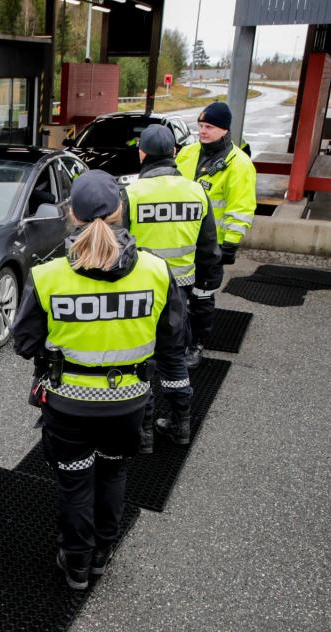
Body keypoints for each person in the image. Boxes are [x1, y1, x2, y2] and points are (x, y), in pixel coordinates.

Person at [11, 170, 191, 590]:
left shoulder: (48, 275)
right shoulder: (156, 271)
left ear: (70, 215)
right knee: (112, 475)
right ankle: (102, 555)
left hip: (67, 404)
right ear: (121, 213)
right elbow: (173, 339)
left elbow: (24, 342)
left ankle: (76, 564)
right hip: (129, 402)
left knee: (75, 482)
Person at [123, 124, 222, 452]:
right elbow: (209, 247)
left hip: (142, 292)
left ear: (142, 154)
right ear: (175, 154)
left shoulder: (132, 194)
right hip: (180, 291)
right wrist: (207, 284)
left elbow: (120, 248)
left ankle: (145, 429)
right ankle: (181, 424)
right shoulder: (196, 191)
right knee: (174, 358)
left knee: (142, 362)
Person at [176, 101, 257, 368]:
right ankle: (173, 340)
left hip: (210, 247)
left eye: (209, 126)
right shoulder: (187, 154)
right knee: (176, 295)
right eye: (200, 126)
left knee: (201, 297)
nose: (203, 131)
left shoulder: (239, 164)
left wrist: (230, 245)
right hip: (180, 242)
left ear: (224, 129)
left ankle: (195, 344)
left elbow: (241, 209)